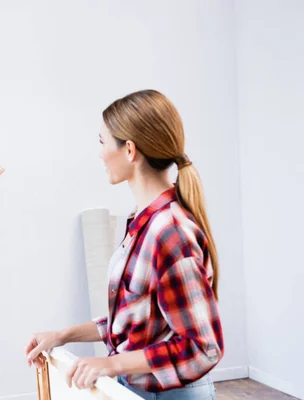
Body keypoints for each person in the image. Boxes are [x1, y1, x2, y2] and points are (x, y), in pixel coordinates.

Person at [25, 90, 223, 399]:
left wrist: (111, 364)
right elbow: (135, 323)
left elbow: (202, 348)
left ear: (129, 150)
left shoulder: (170, 232)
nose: (100, 154)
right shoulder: (143, 220)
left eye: (103, 142)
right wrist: (62, 336)